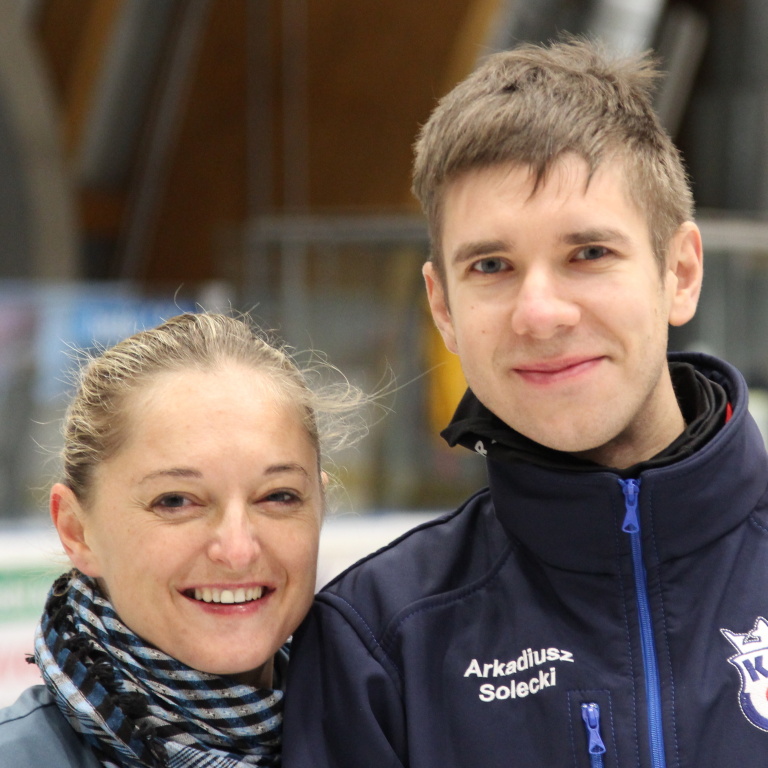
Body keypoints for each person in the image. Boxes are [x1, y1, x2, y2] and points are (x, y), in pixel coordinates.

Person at [282, 38, 768, 767]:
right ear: (443, 307)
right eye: (492, 265)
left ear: (681, 272)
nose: (540, 314)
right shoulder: (380, 642)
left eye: (588, 254)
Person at [0, 312, 364, 767]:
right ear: (77, 531)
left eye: (278, 496)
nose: (237, 551)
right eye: (175, 501)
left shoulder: (385, 738)